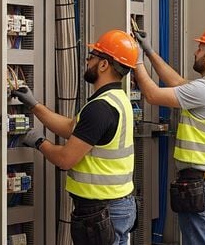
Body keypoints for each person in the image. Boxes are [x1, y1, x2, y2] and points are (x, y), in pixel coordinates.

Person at [10, 30, 138, 245]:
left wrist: (39, 142)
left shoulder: (100, 108)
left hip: (102, 210)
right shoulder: (117, 99)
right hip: (117, 205)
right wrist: (34, 106)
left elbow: (65, 159)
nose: (87, 62)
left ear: (104, 64)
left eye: (91, 58)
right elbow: (72, 128)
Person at [132, 25, 205, 245]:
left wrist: (137, 60)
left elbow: (152, 95)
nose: (195, 52)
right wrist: (149, 51)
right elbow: (178, 83)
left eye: (199, 48)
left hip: (202, 185)